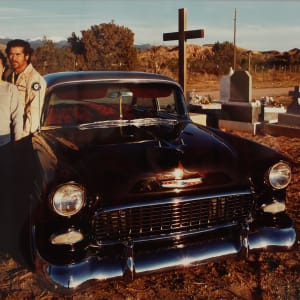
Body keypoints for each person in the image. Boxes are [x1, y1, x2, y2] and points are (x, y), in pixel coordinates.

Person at [0, 50, 23, 254]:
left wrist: (17, 142)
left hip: (5, 143)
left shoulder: (10, 89)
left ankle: (6, 243)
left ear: (2, 67)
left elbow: (17, 118)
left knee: (6, 192)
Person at [5, 39, 46, 136]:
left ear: (26, 56)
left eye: (18, 54)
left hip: (23, 136)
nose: (13, 58)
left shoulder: (35, 79)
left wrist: (22, 137)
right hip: (9, 132)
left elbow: (34, 113)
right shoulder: (10, 76)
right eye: (11, 54)